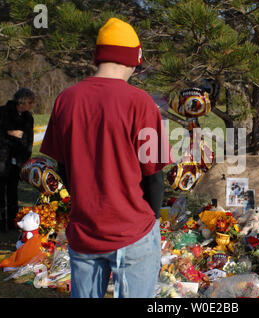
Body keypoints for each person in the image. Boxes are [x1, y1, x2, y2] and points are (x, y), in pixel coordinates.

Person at [40, 17, 172, 298]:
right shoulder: (140, 102)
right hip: (132, 230)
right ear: (132, 60)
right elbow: (154, 177)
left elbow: (63, 168)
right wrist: (151, 219)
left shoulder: (66, 99)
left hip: (85, 228)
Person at [0, 88, 35, 232]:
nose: (32, 105)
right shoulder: (1, 112)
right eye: (30, 102)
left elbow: (29, 140)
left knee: (13, 194)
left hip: (17, 162)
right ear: (22, 101)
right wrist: (9, 133)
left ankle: (14, 223)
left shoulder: (28, 118)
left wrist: (25, 159)